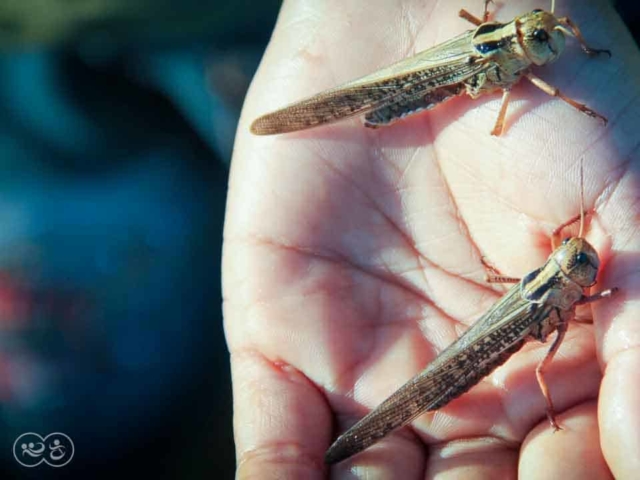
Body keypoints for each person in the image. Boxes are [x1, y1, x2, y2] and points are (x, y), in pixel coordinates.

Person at [224, 1, 640, 477]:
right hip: (438, 72)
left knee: (441, 377)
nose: (553, 44)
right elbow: (544, 363)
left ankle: (396, 412)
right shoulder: (505, 57)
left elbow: (563, 21)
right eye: (540, 39)